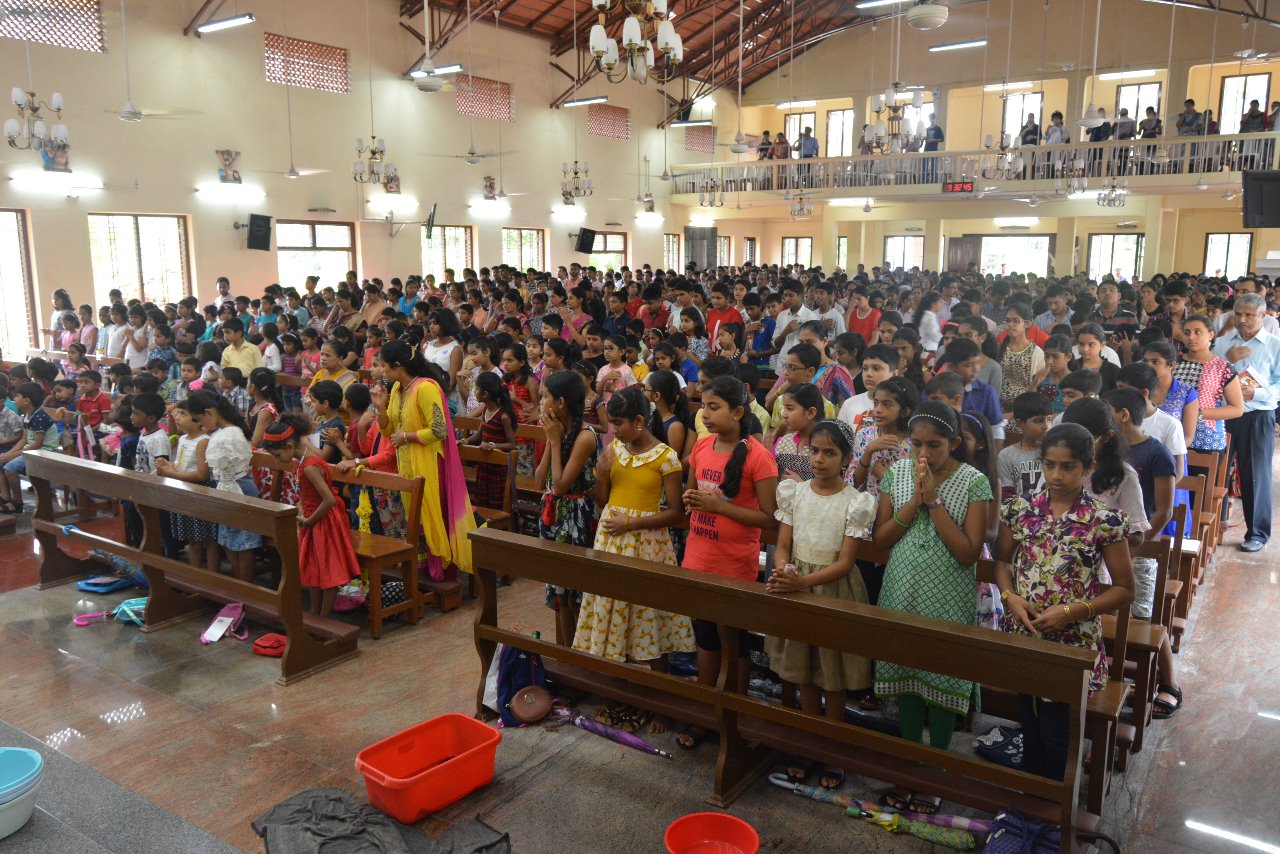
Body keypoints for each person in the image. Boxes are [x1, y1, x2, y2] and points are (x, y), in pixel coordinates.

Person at [995, 422, 1135, 780]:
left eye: (1068, 467)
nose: (1056, 475)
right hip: (1025, 630)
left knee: (1058, 733)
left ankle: (1054, 801)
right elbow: (1002, 562)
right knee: (1028, 721)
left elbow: (1124, 589)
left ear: (1088, 467)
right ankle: (1031, 797)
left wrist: (1072, 611)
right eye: (1050, 464)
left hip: (1072, 640)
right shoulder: (1021, 509)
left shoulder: (1103, 520)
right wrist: (1011, 597)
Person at [872, 402, 990, 815]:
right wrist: (914, 503)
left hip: (948, 594)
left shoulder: (974, 482)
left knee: (940, 680)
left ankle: (936, 772)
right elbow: (881, 540)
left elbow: (968, 552)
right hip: (901, 587)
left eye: (934, 445)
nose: (923, 453)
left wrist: (934, 502)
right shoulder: (897, 474)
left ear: (953, 443)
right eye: (916, 444)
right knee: (906, 677)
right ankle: (910, 768)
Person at [573, 386, 692, 731]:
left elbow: (676, 513)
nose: (613, 430)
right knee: (614, 614)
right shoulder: (613, 451)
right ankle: (618, 693)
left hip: (645, 544)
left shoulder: (665, 457)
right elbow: (602, 500)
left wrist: (631, 523)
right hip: (611, 541)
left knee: (648, 617)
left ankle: (660, 704)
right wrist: (600, 474)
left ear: (639, 421)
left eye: (618, 423)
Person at [766, 419, 877, 790]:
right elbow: (783, 545)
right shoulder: (794, 493)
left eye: (829, 453)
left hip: (834, 589)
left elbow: (845, 563)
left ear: (845, 459)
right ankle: (809, 745)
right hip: (796, 584)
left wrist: (801, 582)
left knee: (831, 674)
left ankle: (832, 750)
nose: (818, 459)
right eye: (814, 450)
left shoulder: (855, 502)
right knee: (803, 670)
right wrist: (784, 570)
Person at [677, 374, 778, 750]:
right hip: (699, 555)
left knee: (734, 639)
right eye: (703, 405)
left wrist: (720, 507)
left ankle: (733, 715)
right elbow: (691, 491)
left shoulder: (758, 456)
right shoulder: (703, 446)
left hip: (734, 563)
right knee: (705, 635)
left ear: (737, 412)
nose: (704, 413)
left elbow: (770, 519)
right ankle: (707, 712)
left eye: (714, 407)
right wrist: (692, 500)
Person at [374, 340, 476, 582]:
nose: (380, 371)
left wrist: (407, 437)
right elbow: (388, 431)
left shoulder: (425, 388)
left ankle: (443, 570)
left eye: (383, 366)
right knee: (416, 518)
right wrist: (380, 408)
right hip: (408, 464)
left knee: (433, 515)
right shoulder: (397, 388)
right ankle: (424, 567)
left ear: (397, 366)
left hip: (430, 464)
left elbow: (439, 430)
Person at [261, 413, 362, 616]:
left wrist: (308, 520)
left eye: (278, 455)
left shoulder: (309, 466)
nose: (278, 460)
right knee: (314, 567)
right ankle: (315, 612)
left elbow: (329, 500)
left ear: (290, 446)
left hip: (323, 521)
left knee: (328, 568)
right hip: (313, 517)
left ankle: (324, 616)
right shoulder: (304, 456)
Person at [536, 370, 601, 646]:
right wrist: (552, 440)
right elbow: (540, 480)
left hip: (575, 517)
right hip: (554, 514)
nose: (541, 403)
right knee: (559, 593)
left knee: (572, 595)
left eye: (545, 397)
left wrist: (554, 440)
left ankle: (576, 655)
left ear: (560, 403)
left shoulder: (585, 436)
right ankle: (564, 653)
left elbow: (562, 486)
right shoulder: (558, 431)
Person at [1212, 293, 1280, 551]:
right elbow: (1208, 379)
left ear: (1262, 316)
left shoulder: (1275, 345)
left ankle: (1257, 534)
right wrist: (1226, 360)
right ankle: (1213, 526)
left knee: (1255, 475)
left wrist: (1257, 393)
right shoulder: (1221, 344)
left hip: (1257, 415)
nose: (1242, 319)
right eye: (1238, 314)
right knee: (1216, 470)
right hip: (1224, 415)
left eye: (1249, 315)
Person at [186, 390, 261, 582]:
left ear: (209, 412)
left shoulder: (228, 435)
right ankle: (238, 583)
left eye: (200, 420)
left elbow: (226, 471)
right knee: (231, 540)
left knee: (243, 541)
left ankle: (244, 586)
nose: (201, 426)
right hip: (231, 485)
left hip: (237, 488)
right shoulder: (224, 432)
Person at [155, 400, 218, 571]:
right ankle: (195, 575)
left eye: (183, 414)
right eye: (178, 413)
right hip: (185, 493)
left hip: (200, 493)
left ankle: (212, 577)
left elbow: (202, 474)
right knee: (192, 539)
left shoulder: (203, 441)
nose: (178, 417)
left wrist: (171, 473)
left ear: (197, 419)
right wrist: (168, 466)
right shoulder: (182, 439)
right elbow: (181, 465)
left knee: (209, 540)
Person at [999, 392, 1052, 501]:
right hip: (1018, 510)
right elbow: (1006, 495)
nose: (1046, 426)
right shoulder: (1007, 456)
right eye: (1039, 421)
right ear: (1020, 424)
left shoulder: (1055, 452)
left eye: (1049, 419)